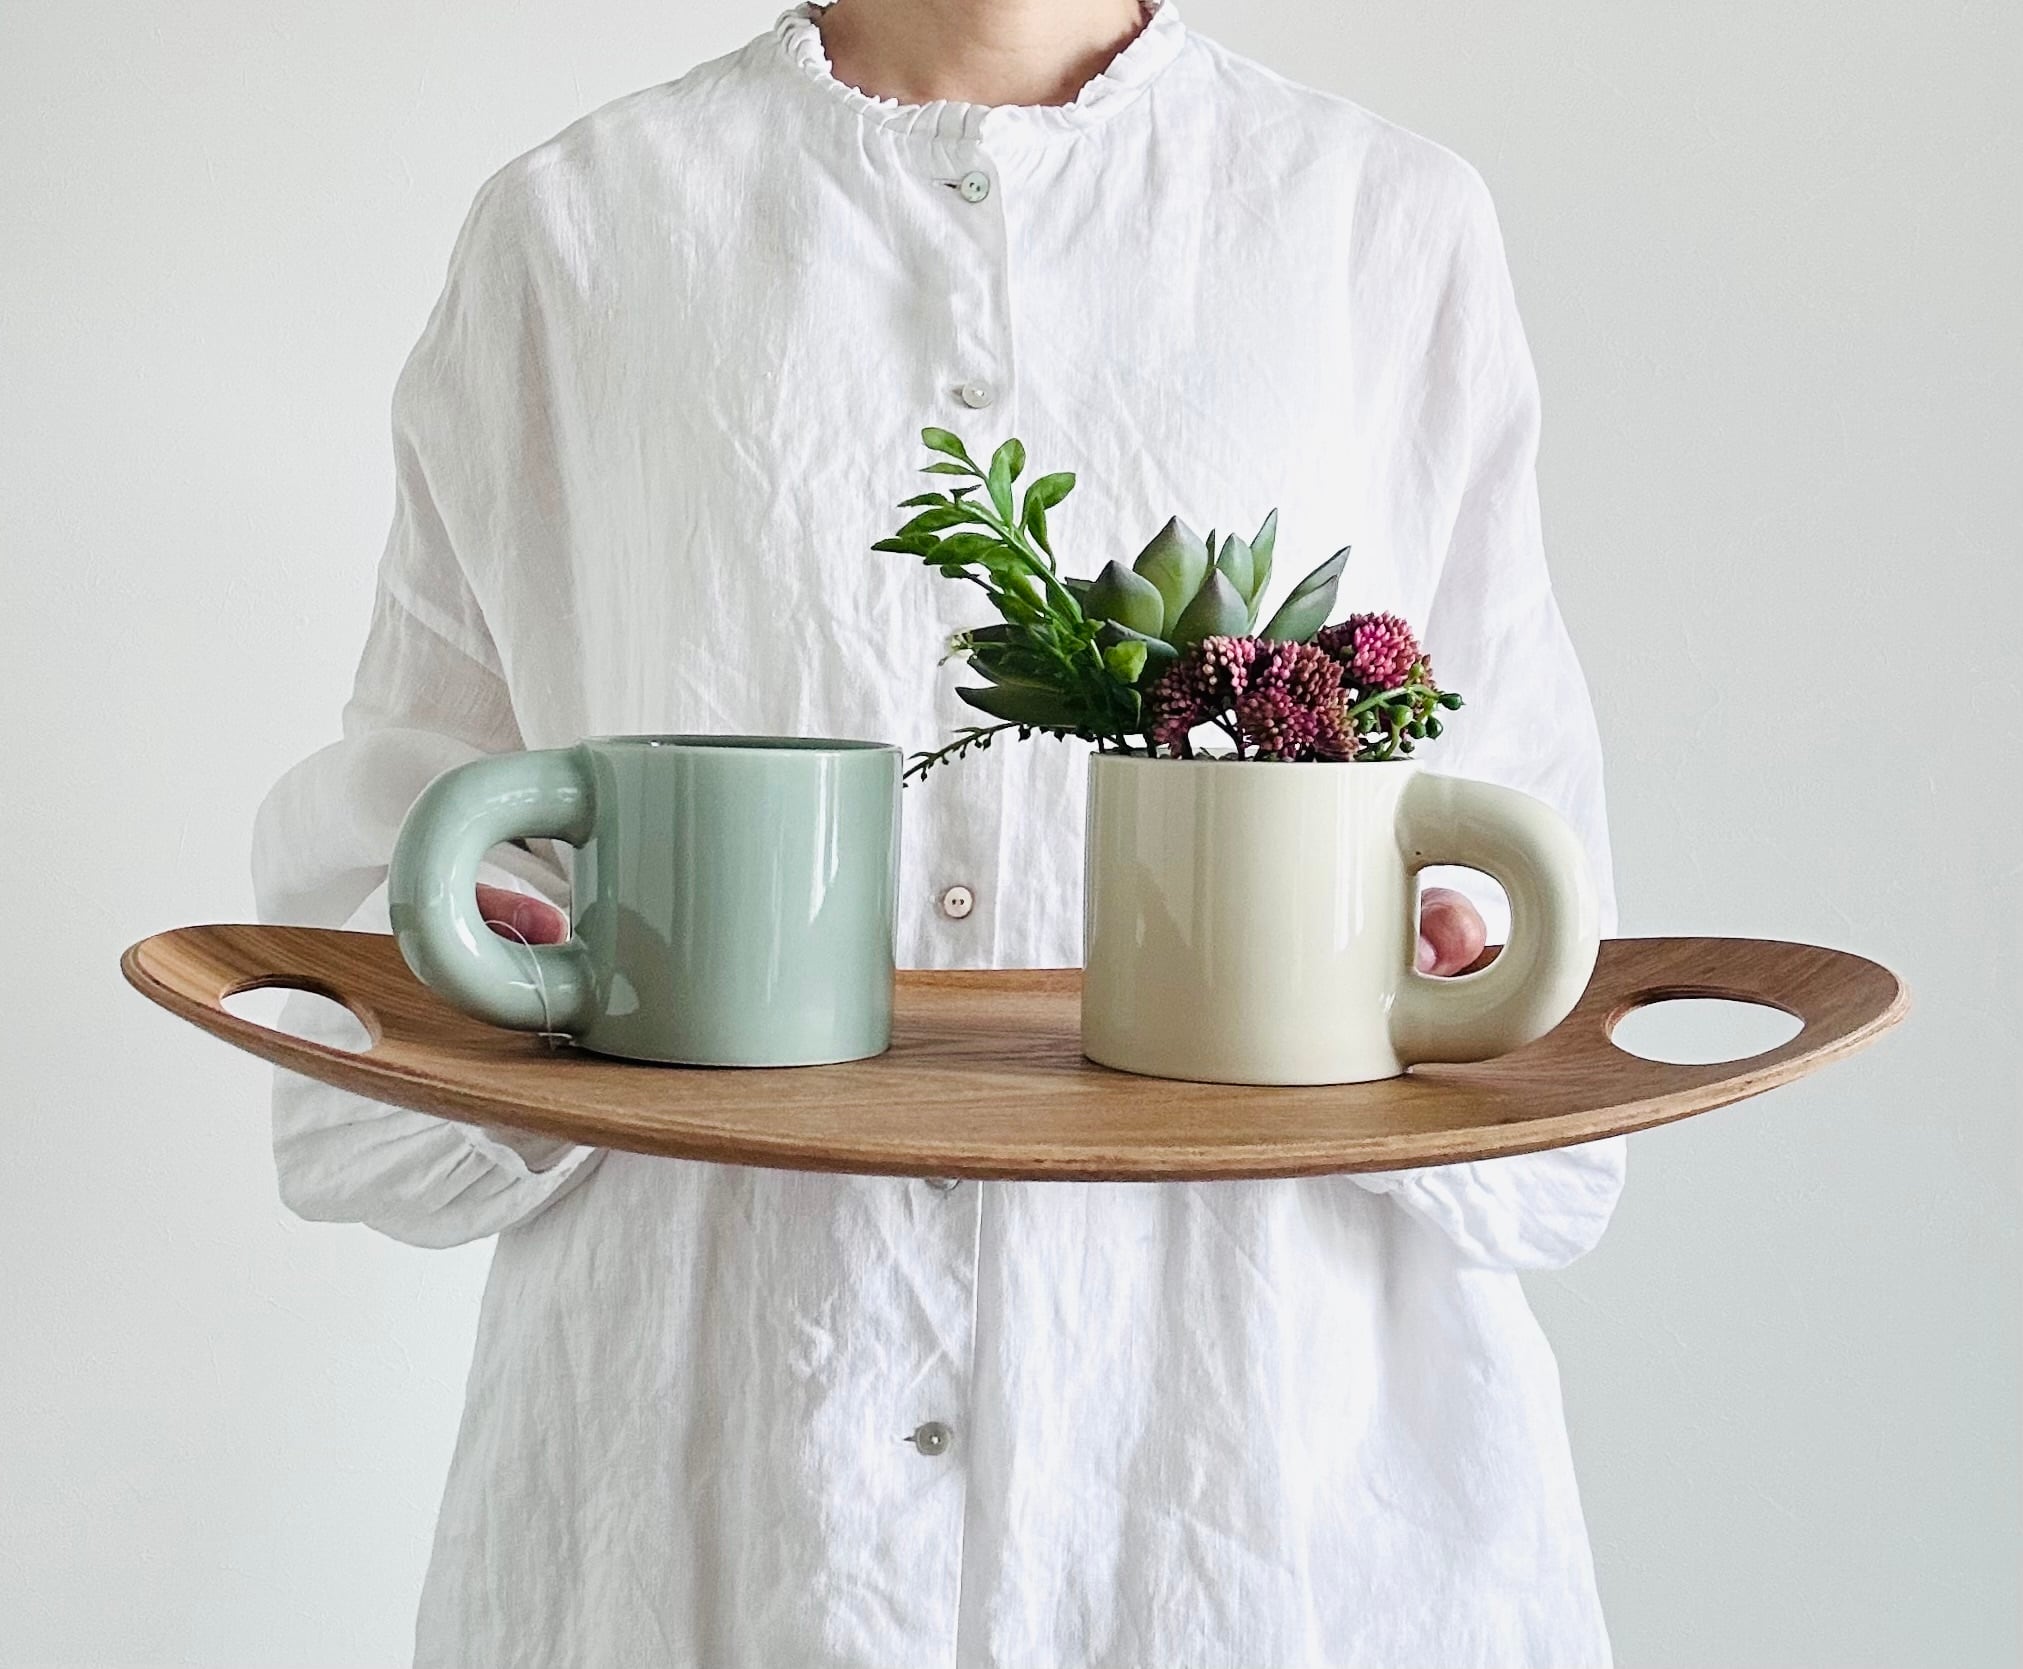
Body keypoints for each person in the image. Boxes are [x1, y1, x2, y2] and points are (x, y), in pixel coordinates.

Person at [251, 0, 1624, 1663]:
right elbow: (391, 898)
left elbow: (1541, 961)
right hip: (715, 1510)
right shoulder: (582, 228)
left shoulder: (1375, 224)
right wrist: (500, 961)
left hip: (1260, 1513)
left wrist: (1439, 974)